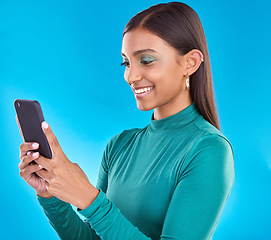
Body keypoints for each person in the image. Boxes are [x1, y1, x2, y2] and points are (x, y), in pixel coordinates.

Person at [17, 2, 235, 239]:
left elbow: (96, 209)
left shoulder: (209, 149)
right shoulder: (119, 145)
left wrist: (89, 199)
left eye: (147, 60)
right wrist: (50, 196)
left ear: (190, 62)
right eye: (126, 63)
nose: (131, 76)